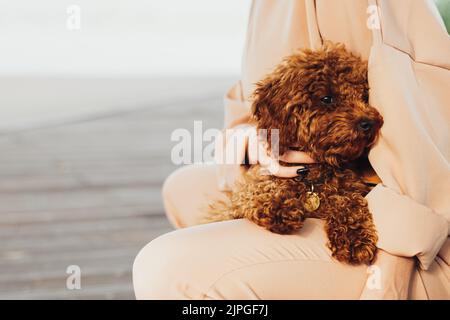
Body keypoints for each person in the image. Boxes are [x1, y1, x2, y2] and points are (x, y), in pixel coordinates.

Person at [133, 0, 450, 299]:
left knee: (166, 268)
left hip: (411, 239)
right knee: (183, 189)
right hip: (307, 182)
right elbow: (252, 102)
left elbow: (430, 144)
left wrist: (389, 279)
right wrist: (251, 135)